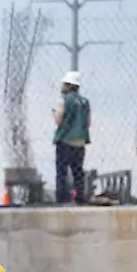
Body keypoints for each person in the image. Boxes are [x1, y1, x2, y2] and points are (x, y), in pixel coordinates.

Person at [52, 71, 91, 205]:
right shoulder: (85, 102)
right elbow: (88, 122)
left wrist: (54, 114)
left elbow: (58, 120)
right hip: (80, 141)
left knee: (62, 171)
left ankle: (62, 197)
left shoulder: (63, 100)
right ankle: (80, 197)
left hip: (65, 140)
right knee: (78, 171)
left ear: (69, 85)